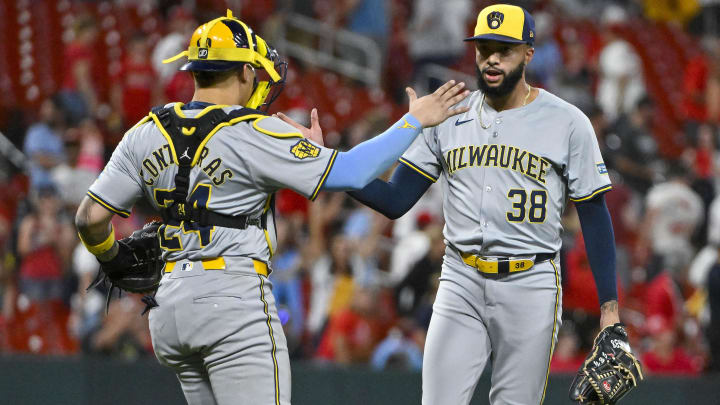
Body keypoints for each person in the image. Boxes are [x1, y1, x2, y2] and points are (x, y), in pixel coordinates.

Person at [74, 10, 468, 405]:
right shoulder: (255, 130)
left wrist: (111, 256)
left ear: (195, 72)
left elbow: (89, 218)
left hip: (170, 308)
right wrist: (414, 120)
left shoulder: (144, 131)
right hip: (232, 303)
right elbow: (355, 172)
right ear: (245, 71)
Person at [280, 4, 630, 404]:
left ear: (528, 53)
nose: (492, 58)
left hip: (530, 282)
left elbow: (594, 213)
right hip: (460, 279)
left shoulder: (567, 122)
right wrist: (329, 160)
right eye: (484, 49)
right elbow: (395, 200)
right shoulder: (448, 115)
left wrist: (609, 309)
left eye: (505, 49)